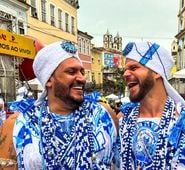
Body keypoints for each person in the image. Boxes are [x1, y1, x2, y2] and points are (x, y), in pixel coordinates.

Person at [0, 40, 118, 169]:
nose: (82, 79)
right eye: (71, 72)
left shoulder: (105, 114)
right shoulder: (18, 124)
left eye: (82, 72)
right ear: (49, 80)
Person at [118, 41, 185, 169]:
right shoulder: (121, 121)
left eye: (134, 68)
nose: (125, 74)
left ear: (156, 72)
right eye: (125, 69)